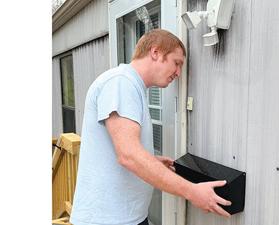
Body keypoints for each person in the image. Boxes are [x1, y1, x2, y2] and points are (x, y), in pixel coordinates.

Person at [70, 29, 231, 225]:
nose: (178, 73)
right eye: (177, 63)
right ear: (155, 53)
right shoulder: (121, 83)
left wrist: (151, 161)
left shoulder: (132, 86)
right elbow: (129, 156)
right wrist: (193, 192)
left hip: (129, 217)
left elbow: (124, 150)